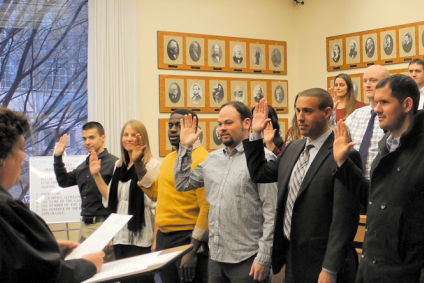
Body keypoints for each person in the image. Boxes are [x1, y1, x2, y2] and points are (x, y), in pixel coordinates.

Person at [244, 93, 360, 283]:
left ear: (327, 113)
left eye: (307, 111)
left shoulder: (343, 153)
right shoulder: (293, 148)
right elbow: (260, 173)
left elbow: (344, 218)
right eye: (298, 110)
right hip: (293, 257)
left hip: (325, 263)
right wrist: (255, 134)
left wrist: (330, 268)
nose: (299, 117)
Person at [333, 74, 424, 282]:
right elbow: (373, 199)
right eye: (375, 102)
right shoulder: (386, 146)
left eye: (384, 102)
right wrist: (343, 164)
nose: (376, 109)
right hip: (371, 270)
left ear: (407, 104)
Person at [174, 101, 278, 283]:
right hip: (216, 257)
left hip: (248, 259)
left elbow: (272, 212)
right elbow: (182, 183)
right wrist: (185, 148)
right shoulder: (212, 159)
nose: (222, 128)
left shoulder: (264, 159)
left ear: (247, 124)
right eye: (220, 124)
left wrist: (264, 256)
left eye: (228, 123)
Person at [0, 107, 104, 282]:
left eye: (91, 137)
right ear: (2, 157)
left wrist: (45, 247)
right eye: (20, 149)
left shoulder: (112, 163)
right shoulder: (5, 210)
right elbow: (39, 273)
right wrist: (87, 265)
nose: (24, 156)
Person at [140, 109, 210, 283]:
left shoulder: (203, 159)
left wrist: (193, 250)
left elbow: (207, 208)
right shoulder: (172, 158)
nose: (172, 129)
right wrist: (136, 163)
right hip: (165, 238)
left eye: (178, 125)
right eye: (170, 125)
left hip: (187, 238)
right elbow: (157, 193)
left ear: (193, 128)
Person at [90, 120, 160, 283]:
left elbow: (158, 205)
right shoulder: (118, 165)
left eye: (133, 135)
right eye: (125, 135)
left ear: (142, 139)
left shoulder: (152, 165)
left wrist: (156, 240)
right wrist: (96, 175)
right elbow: (112, 198)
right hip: (120, 236)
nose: (128, 138)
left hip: (142, 236)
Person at [54, 122, 118, 262]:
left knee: (105, 272)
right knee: (86, 271)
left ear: (103, 138)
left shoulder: (115, 164)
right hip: (84, 226)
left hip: (103, 225)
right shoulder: (83, 166)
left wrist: (110, 233)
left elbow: (118, 202)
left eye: (91, 137)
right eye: (84, 139)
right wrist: (58, 157)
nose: (87, 142)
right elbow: (64, 181)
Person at [329, 65, 389, 182]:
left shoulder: (393, 116)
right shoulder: (356, 115)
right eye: (365, 81)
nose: (367, 85)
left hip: (382, 182)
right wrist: (331, 113)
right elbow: (336, 137)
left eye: (373, 80)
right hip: (355, 182)